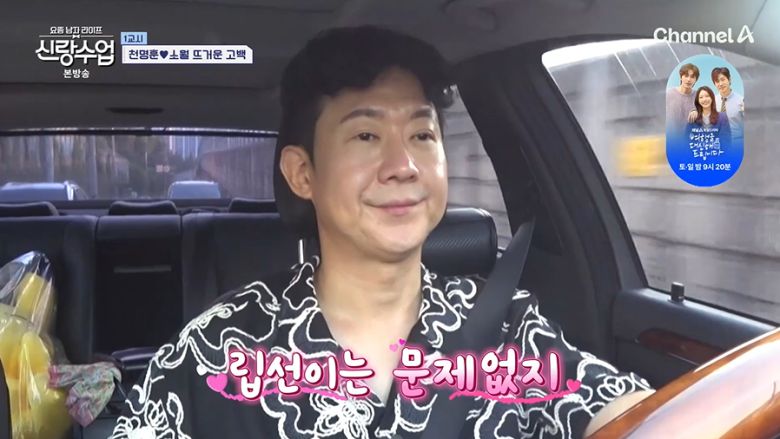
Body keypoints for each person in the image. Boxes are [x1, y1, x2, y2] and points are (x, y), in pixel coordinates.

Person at [110, 26, 653, 439]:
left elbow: (633, 414)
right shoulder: (216, 348)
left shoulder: (508, 328)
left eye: (422, 135)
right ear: (303, 174)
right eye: (366, 135)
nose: (403, 166)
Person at [689, 67, 743, 144]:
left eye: (723, 79)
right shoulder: (711, 100)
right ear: (714, 83)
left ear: (729, 79)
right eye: (717, 81)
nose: (720, 84)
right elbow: (702, 109)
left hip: (736, 143)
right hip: (716, 143)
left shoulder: (741, 101)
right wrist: (694, 111)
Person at [686, 86, 732, 157]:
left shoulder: (723, 117)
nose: (704, 99)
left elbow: (726, 142)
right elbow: (686, 141)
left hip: (717, 158)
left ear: (712, 98)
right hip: (696, 158)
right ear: (698, 101)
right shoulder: (693, 117)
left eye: (707, 96)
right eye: (701, 97)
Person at [666, 63, 699, 139]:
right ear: (681, 77)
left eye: (692, 77)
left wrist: (698, 112)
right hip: (672, 139)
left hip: (691, 139)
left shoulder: (699, 96)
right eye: (686, 76)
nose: (689, 79)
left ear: (696, 80)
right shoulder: (668, 94)